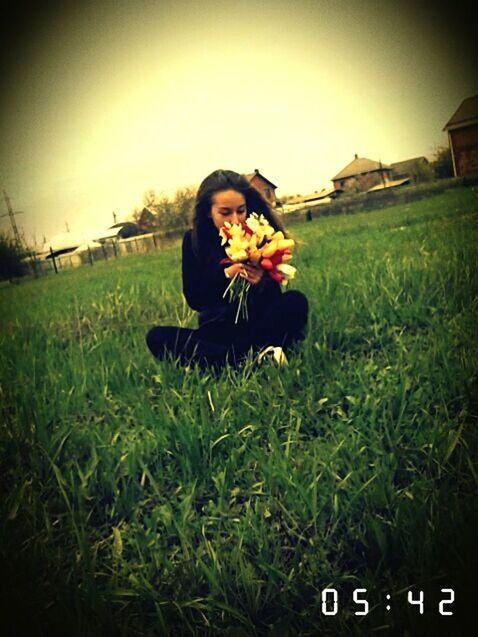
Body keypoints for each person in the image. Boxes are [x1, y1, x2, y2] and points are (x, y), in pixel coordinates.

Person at [146, 169, 308, 370]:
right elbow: (195, 298)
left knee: (295, 301)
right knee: (157, 337)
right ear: (208, 211)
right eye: (225, 212)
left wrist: (261, 282)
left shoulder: (260, 233)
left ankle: (228, 361)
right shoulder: (194, 240)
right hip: (218, 329)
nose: (235, 220)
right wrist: (226, 276)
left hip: (258, 323)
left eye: (241, 210)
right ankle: (248, 358)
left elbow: (274, 296)